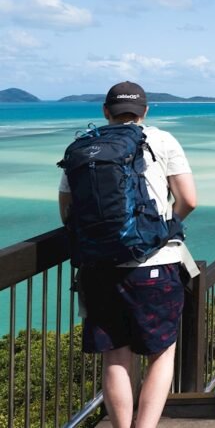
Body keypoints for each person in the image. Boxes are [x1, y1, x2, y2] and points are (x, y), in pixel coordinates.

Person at [58, 81, 198, 428]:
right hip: (155, 263)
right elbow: (189, 200)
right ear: (145, 111)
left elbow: (67, 213)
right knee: (161, 353)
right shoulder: (161, 140)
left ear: (105, 112)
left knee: (115, 356)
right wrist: (164, 228)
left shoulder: (82, 147)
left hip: (100, 267)